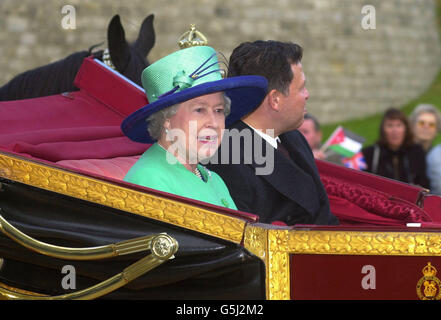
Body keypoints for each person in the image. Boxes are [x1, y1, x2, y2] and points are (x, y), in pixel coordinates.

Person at [208, 40, 339, 226]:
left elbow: (323, 214)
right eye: (301, 88)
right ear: (275, 99)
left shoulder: (294, 138)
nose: (307, 94)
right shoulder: (226, 158)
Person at [120, 44, 267, 209]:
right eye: (199, 110)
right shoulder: (150, 181)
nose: (213, 122)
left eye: (218, 110)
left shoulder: (214, 180)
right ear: (166, 118)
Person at [362, 108, 430, 188]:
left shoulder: (416, 152)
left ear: (405, 129)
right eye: (390, 125)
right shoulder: (371, 153)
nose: (395, 131)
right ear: (383, 130)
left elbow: (424, 183)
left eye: (399, 125)